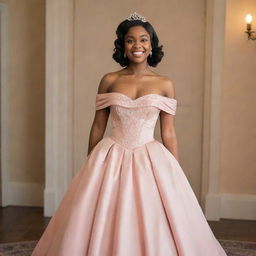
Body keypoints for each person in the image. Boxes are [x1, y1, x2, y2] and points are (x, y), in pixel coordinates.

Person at [32, 12, 227, 256]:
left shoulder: (165, 83)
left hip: (150, 156)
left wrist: (175, 172)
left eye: (144, 40)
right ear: (122, 45)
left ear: (152, 45)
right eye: (130, 40)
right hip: (112, 154)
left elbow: (168, 132)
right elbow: (97, 125)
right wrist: (91, 162)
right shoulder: (109, 80)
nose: (138, 45)